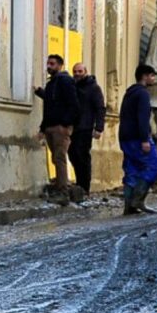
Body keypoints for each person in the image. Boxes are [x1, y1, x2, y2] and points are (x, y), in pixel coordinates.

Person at [35, 54, 80, 204]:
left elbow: (74, 104)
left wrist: (65, 123)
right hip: (50, 126)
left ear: (60, 66)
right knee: (56, 158)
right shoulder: (51, 84)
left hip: (60, 127)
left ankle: (63, 192)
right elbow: (49, 107)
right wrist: (43, 128)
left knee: (59, 158)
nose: (49, 66)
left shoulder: (65, 81)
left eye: (52, 64)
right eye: (48, 63)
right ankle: (61, 187)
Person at [118, 64, 157, 214]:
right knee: (153, 165)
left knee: (132, 168)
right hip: (138, 138)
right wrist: (144, 139)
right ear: (145, 76)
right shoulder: (143, 94)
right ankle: (138, 199)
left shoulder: (129, 93)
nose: (154, 79)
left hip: (125, 137)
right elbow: (142, 118)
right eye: (152, 75)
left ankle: (129, 206)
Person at [70, 63, 105, 195]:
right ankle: (80, 184)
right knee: (73, 155)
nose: (77, 74)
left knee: (82, 157)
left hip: (85, 128)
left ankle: (84, 187)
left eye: (80, 71)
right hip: (72, 128)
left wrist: (99, 128)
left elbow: (100, 108)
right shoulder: (72, 86)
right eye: (75, 71)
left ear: (85, 72)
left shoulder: (93, 88)